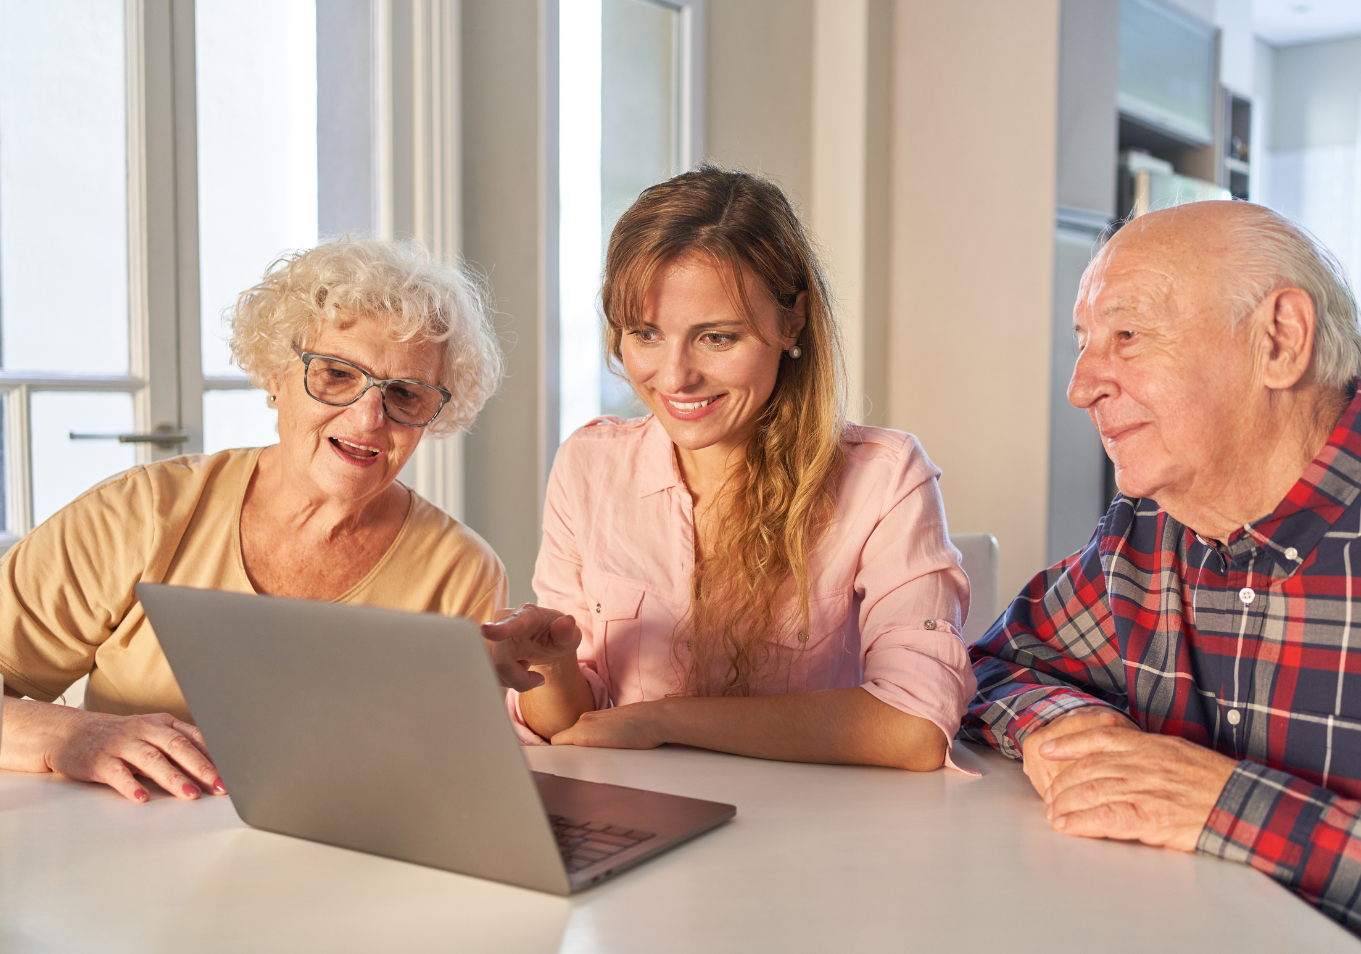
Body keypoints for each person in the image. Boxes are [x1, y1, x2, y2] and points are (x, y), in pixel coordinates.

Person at [493, 166, 975, 771]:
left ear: (791, 321)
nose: (674, 378)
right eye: (645, 334)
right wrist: (555, 665)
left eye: (717, 338)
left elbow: (913, 727)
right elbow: (570, 729)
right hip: (641, 821)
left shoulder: (884, 479)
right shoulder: (589, 465)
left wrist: (663, 720)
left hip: (817, 836)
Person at [962, 200, 1361, 931]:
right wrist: (1071, 730)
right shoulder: (1146, 529)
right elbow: (995, 665)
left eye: (1128, 334)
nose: (1080, 387)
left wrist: (1227, 806)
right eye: (1084, 341)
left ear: (1279, 340)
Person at [0, 238, 511, 804]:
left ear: (431, 414)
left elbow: (451, 783)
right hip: (128, 856)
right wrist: (73, 735)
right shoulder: (143, 513)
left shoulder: (462, 571)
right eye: (337, 374)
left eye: (406, 393)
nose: (368, 418)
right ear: (275, 374)